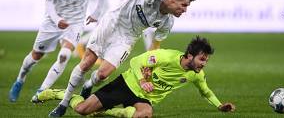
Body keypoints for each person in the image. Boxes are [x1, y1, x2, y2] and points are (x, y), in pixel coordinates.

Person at [49, 0, 196, 117]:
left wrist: (148, 66)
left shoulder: (167, 22)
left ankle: (88, 85)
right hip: (113, 22)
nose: (184, 10)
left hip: (128, 37)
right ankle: (64, 103)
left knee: (102, 75)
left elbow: (155, 45)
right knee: (87, 63)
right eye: (184, 5)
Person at [38, 36, 235, 117]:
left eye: (206, 60)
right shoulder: (166, 56)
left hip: (143, 98)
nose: (204, 63)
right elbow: (135, 62)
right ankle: (59, 94)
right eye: (202, 59)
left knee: (146, 114)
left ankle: (120, 112)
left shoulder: (196, 75)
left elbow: (206, 92)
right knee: (82, 110)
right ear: (190, 56)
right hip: (126, 84)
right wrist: (142, 79)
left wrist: (219, 105)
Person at [9, 0, 104, 102]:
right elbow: (48, 1)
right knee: (35, 56)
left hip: (75, 21)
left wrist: (97, 12)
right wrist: (57, 19)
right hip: (53, 21)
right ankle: (20, 79)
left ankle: (41, 91)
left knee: (65, 55)